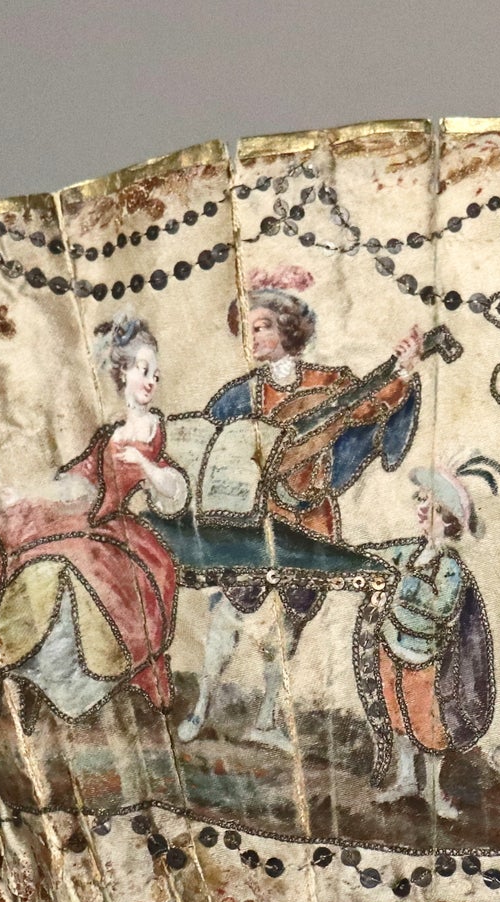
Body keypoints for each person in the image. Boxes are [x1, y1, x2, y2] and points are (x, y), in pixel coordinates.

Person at [176, 264, 422, 749]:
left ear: (288, 329)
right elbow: (208, 443)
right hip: (256, 520)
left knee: (288, 626)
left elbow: (373, 405)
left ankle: (267, 719)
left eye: (263, 326)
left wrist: (402, 371)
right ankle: (202, 706)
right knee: (229, 613)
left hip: (311, 520)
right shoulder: (243, 395)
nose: (254, 338)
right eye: (248, 330)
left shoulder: (328, 382)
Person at [0, 311, 189, 719]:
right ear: (122, 373)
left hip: (115, 528)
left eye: (155, 374)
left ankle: (72, 689)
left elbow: (175, 490)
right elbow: (79, 480)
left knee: (72, 566)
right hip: (82, 517)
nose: (150, 381)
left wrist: (147, 467)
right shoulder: (109, 434)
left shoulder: (153, 430)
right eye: (142, 369)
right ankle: (11, 672)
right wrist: (29, 496)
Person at [360, 453, 500, 818]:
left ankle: (434, 791)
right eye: (421, 500)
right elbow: (374, 558)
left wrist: (402, 586)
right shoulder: (408, 551)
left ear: (450, 521)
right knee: (397, 717)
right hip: (390, 648)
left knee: (427, 725)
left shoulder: (450, 567)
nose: (423, 509)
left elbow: (442, 607)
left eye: (434, 507)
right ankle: (407, 780)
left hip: (424, 659)